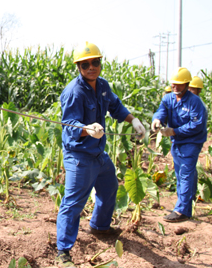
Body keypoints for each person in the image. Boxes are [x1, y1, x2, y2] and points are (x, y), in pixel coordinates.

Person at [55, 42, 146, 267]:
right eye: (85, 64)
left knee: (109, 188)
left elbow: (116, 107)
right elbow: (69, 124)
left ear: (100, 63)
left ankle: (100, 226)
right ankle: (63, 252)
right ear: (78, 67)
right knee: (73, 203)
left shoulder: (103, 86)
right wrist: (87, 129)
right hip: (79, 156)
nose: (91, 67)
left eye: (95, 62)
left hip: (98, 154)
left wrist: (133, 120)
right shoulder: (74, 91)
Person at [151, 67, 207, 223]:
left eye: (179, 84)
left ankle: (182, 210)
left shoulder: (194, 102)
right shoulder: (168, 98)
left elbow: (197, 125)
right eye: (173, 84)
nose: (175, 86)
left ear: (186, 84)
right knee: (181, 172)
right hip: (177, 141)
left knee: (185, 172)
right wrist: (157, 120)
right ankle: (188, 199)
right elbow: (161, 111)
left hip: (192, 141)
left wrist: (174, 131)